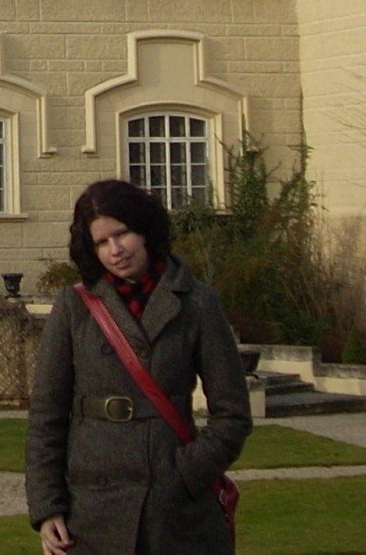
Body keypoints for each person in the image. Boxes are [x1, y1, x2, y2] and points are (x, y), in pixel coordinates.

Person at [25, 178, 252, 554]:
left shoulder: (198, 303)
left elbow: (233, 415)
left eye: (122, 233)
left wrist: (186, 474)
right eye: (101, 242)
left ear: (144, 230)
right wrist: (48, 507)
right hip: (92, 514)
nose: (115, 250)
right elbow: (46, 416)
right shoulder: (73, 307)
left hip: (177, 513)